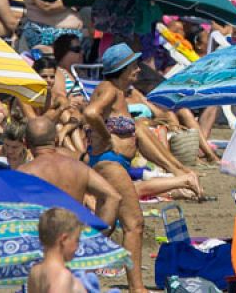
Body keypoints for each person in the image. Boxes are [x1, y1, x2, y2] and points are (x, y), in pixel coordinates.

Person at [80, 43, 148, 293]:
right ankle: (137, 288)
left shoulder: (113, 90)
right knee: (134, 224)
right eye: (133, 66)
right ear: (122, 69)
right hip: (110, 162)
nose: (138, 70)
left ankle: (79, 275)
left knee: (105, 225)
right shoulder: (110, 90)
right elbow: (90, 113)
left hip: (108, 162)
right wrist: (106, 137)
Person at [19, 116, 120, 230]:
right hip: (74, 238)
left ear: (25, 143)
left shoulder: (24, 173)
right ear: (56, 139)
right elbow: (113, 196)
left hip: (43, 239)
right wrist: (99, 236)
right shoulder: (79, 167)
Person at [27, 207, 84, 293]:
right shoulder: (62, 276)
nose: (77, 246)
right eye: (77, 240)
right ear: (64, 239)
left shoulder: (35, 272)